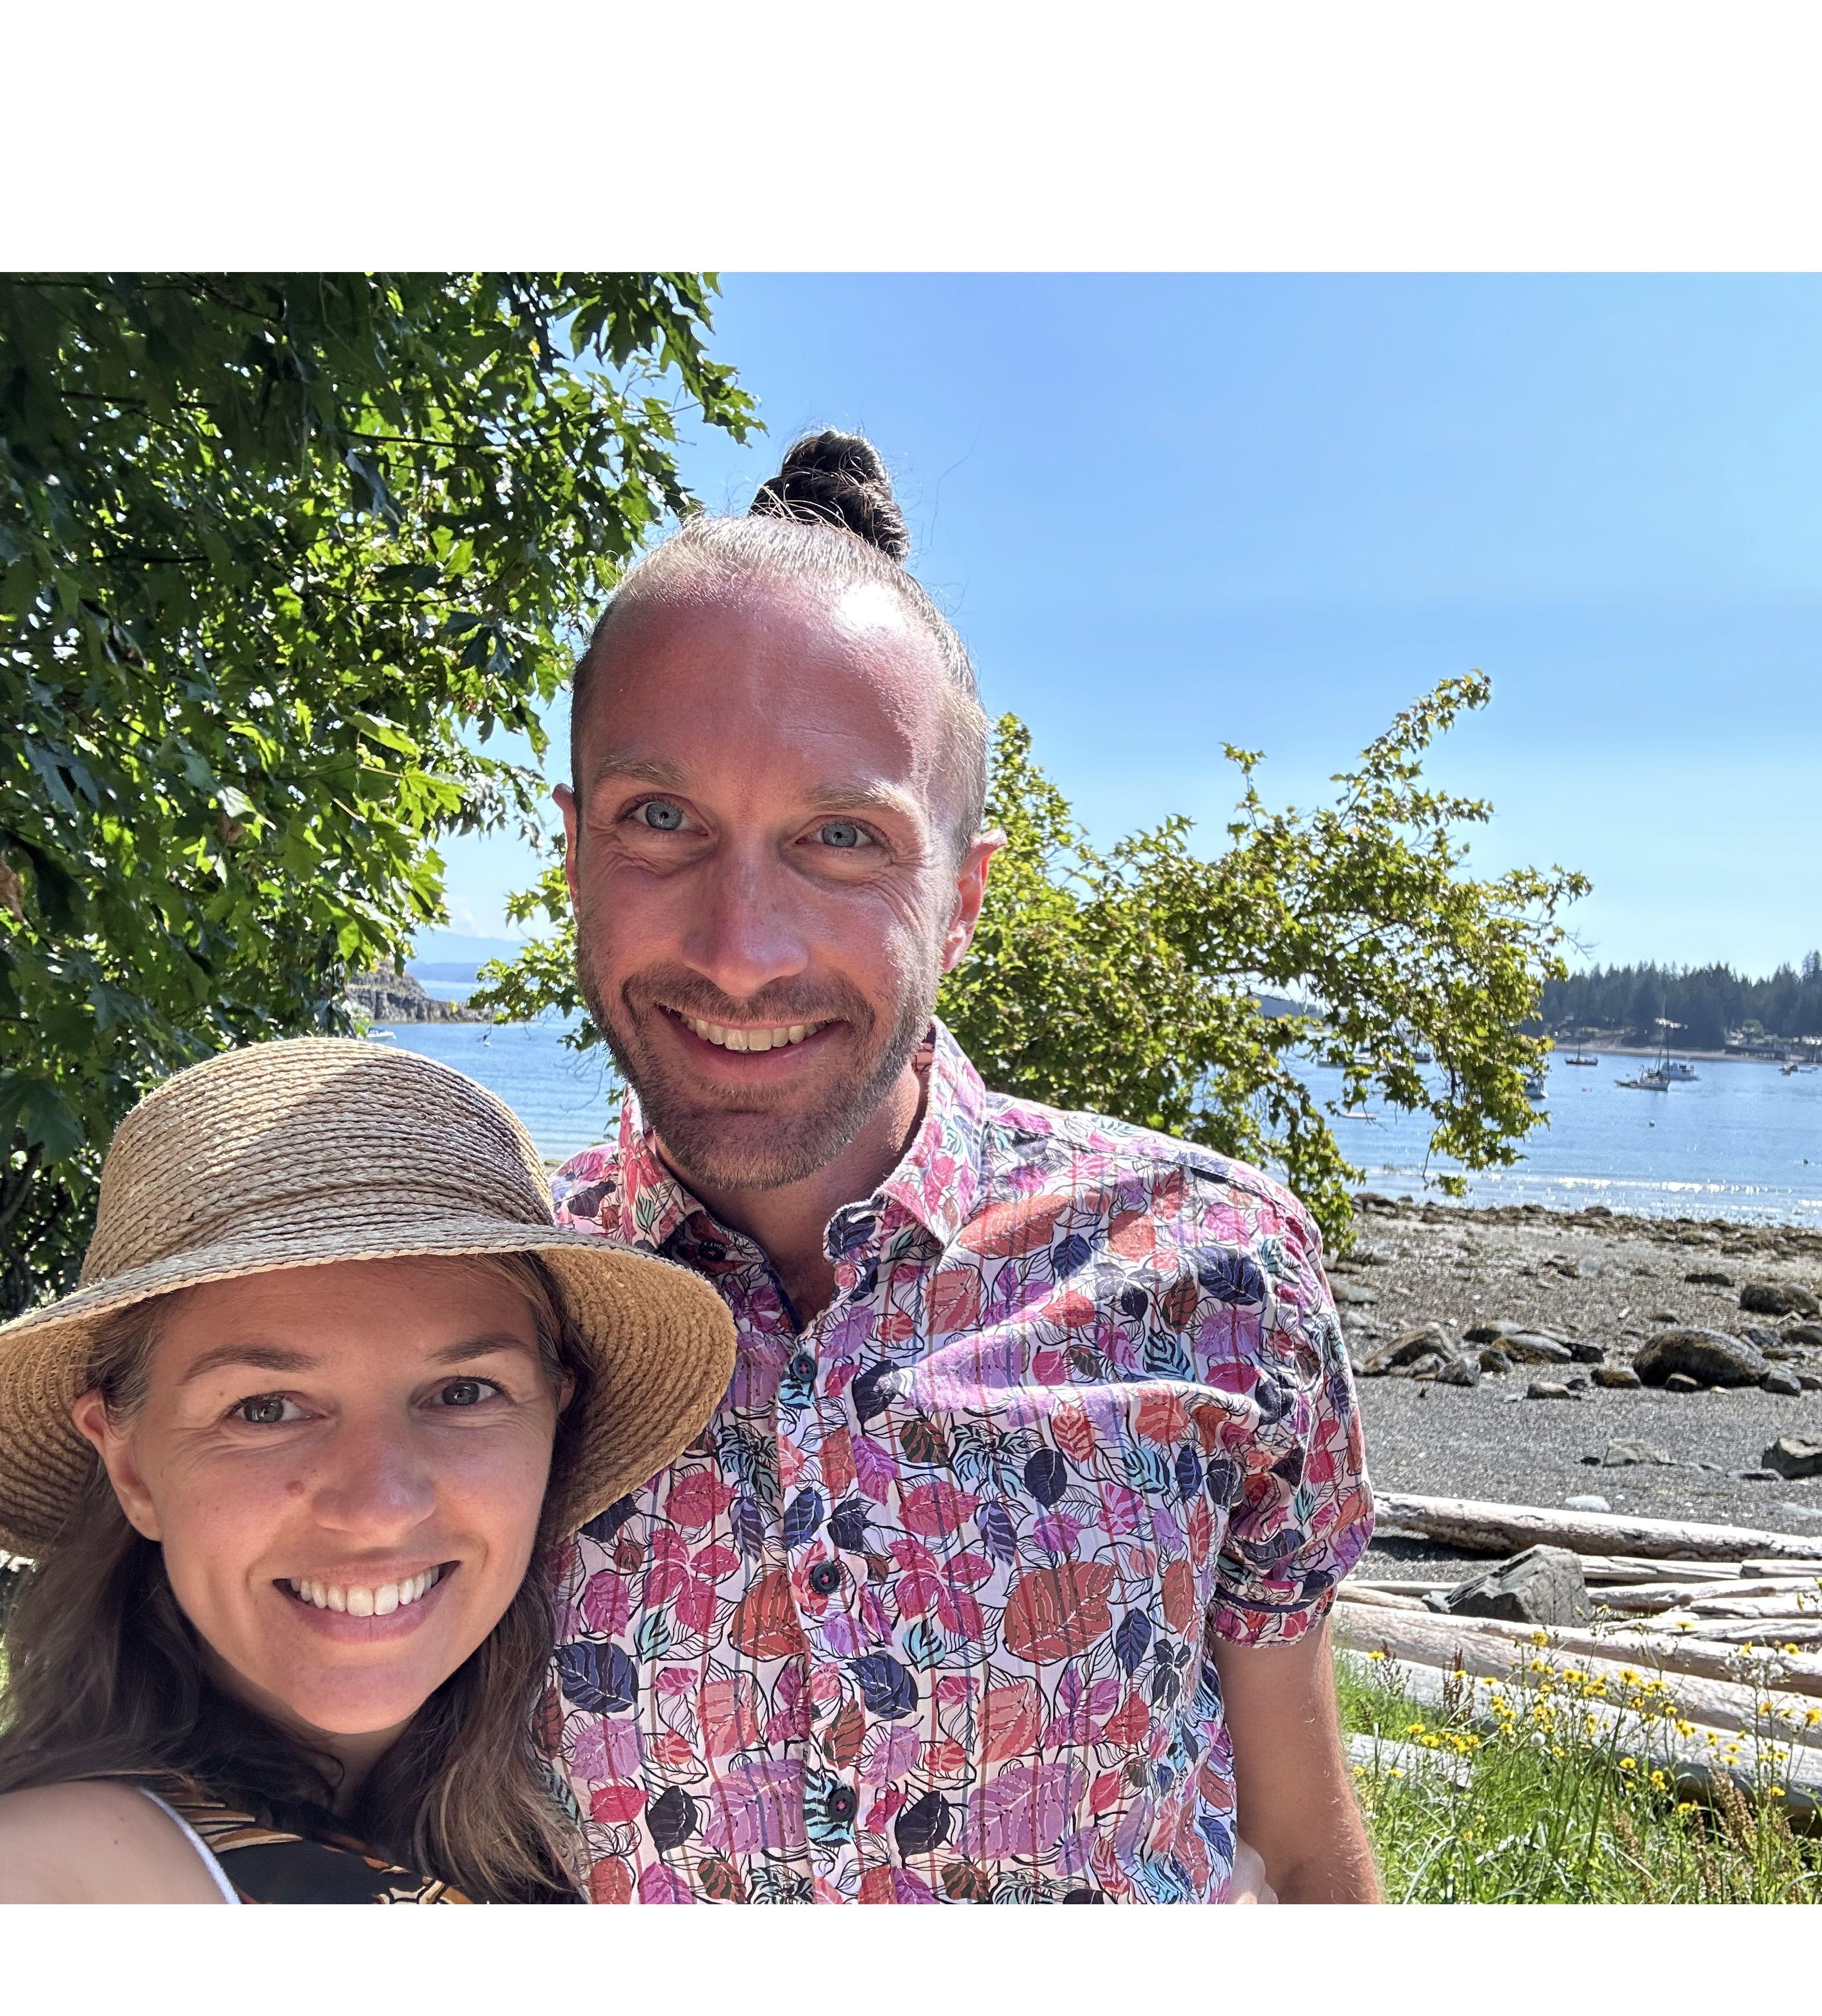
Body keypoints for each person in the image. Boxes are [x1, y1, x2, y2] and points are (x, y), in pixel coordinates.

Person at [545, 430, 1382, 1903]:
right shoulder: (471, 1308)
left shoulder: (1215, 1277)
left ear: (964, 901)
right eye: (661, 820)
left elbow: (1300, 1851)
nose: (741, 950)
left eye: (843, 841)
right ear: (573, 854)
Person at [0, 1038, 736, 1902]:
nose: (380, 1505)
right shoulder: (62, 1876)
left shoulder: (585, 1824)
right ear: (128, 1463)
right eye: (265, 1408)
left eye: (463, 1392)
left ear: (552, 1423)